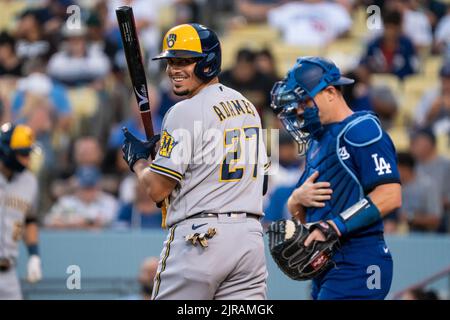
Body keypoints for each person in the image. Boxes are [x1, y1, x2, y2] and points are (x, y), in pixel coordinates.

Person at [121, 23, 269, 299]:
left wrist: (139, 161)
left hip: (201, 239)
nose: (174, 69)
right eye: (171, 61)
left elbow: (156, 189)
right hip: (249, 240)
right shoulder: (248, 106)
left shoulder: (184, 111)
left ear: (208, 62)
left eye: (185, 61)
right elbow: (262, 183)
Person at [270, 56, 402, 299]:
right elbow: (307, 218)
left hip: (359, 260)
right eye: (297, 105)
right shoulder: (316, 142)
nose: (299, 110)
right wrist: (295, 201)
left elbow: (390, 195)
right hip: (325, 265)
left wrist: (333, 226)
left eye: (305, 101)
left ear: (330, 92)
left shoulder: (362, 129)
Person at [0, 123, 42, 299]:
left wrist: (34, 256)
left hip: (8, 271)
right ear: (6, 152)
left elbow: (30, 219)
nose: (27, 159)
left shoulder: (29, 181)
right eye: (23, 153)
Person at [397, 151, 442, 232]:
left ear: (404, 168)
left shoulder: (427, 185)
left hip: (425, 236)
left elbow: (435, 219)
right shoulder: (393, 185)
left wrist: (410, 218)